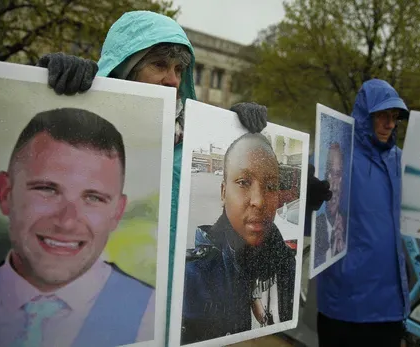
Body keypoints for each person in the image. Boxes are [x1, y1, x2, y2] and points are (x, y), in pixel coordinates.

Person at [35, 10, 333, 344]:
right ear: (124, 67)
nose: (173, 79)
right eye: (159, 65)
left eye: (179, 69)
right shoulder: (87, 129)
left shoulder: (190, 140)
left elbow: (257, 213)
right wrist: (44, 88)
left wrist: (238, 133)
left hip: (177, 323)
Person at [0, 108, 155, 347]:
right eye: (47, 189)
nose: (67, 221)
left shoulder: (155, 314)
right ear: (5, 193)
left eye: (93, 197)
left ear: (117, 212)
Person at [315, 79, 410, 347]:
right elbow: (303, 207)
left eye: (394, 117)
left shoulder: (402, 161)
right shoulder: (334, 157)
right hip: (344, 306)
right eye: (382, 115)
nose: (390, 124)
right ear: (365, 116)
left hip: (389, 307)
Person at [181, 133, 295, 344]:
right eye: (244, 182)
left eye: (270, 186)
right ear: (223, 192)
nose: (259, 201)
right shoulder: (194, 278)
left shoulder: (285, 262)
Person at [314, 142, 346, 267]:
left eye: (338, 175)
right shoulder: (317, 225)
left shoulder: (347, 225)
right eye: (329, 172)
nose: (334, 185)